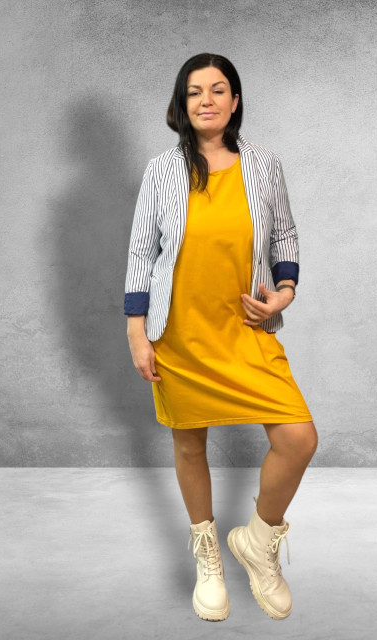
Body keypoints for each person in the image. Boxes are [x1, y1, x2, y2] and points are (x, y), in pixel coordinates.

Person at [124, 52, 318, 622]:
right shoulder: (161, 171)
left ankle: (257, 543)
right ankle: (207, 555)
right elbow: (142, 250)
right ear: (181, 104)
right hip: (179, 334)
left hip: (244, 330)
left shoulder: (264, 164)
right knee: (190, 444)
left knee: (299, 439)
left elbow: (284, 234)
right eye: (193, 92)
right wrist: (137, 330)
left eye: (216, 90)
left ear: (235, 101)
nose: (205, 100)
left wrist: (284, 293)